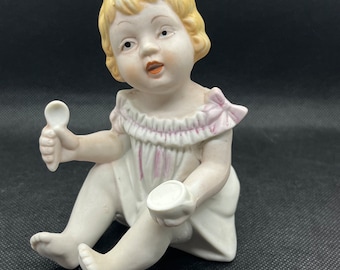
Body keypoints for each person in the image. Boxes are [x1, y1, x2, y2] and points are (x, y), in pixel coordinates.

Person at [30, 0, 248, 269]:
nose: (148, 48)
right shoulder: (130, 104)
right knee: (105, 173)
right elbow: (117, 145)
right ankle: (72, 241)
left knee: (158, 211)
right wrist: (75, 146)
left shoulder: (210, 110)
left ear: (192, 35)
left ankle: (115, 263)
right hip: (139, 190)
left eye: (164, 32)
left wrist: (188, 194)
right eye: (128, 44)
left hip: (191, 209)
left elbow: (216, 166)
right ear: (116, 64)